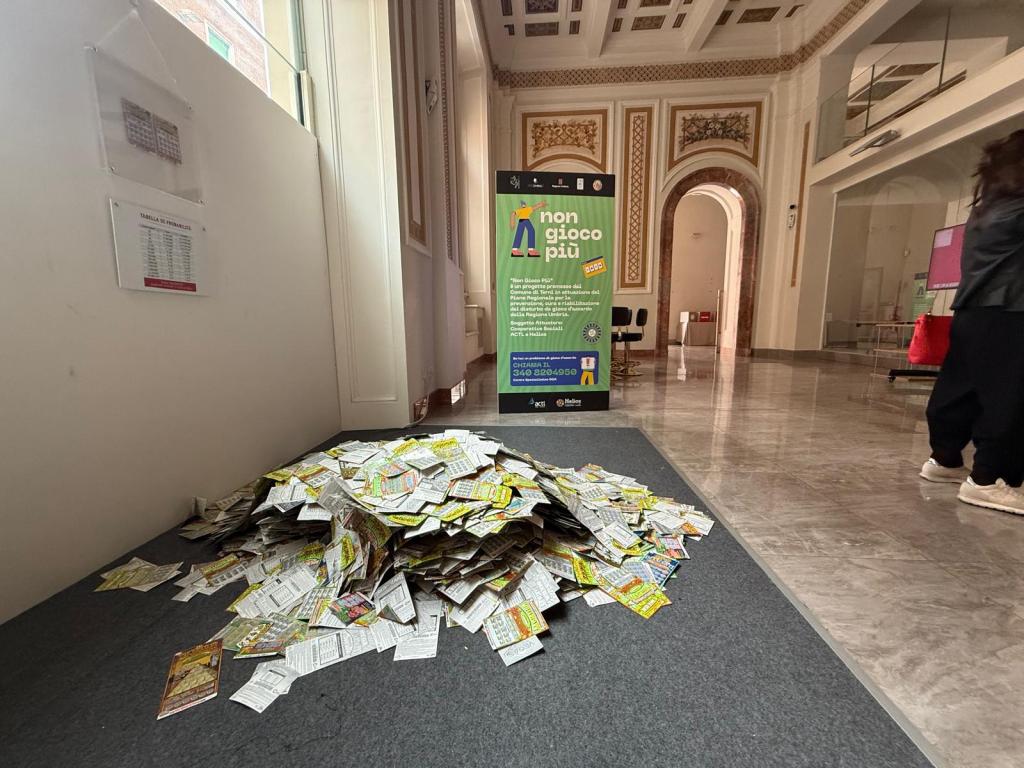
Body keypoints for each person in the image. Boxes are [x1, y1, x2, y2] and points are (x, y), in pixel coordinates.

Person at [921, 129, 1024, 515]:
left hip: (974, 311)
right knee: (1009, 397)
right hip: (1011, 311)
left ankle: (944, 458)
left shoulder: (987, 210)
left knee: (960, 388)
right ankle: (990, 479)